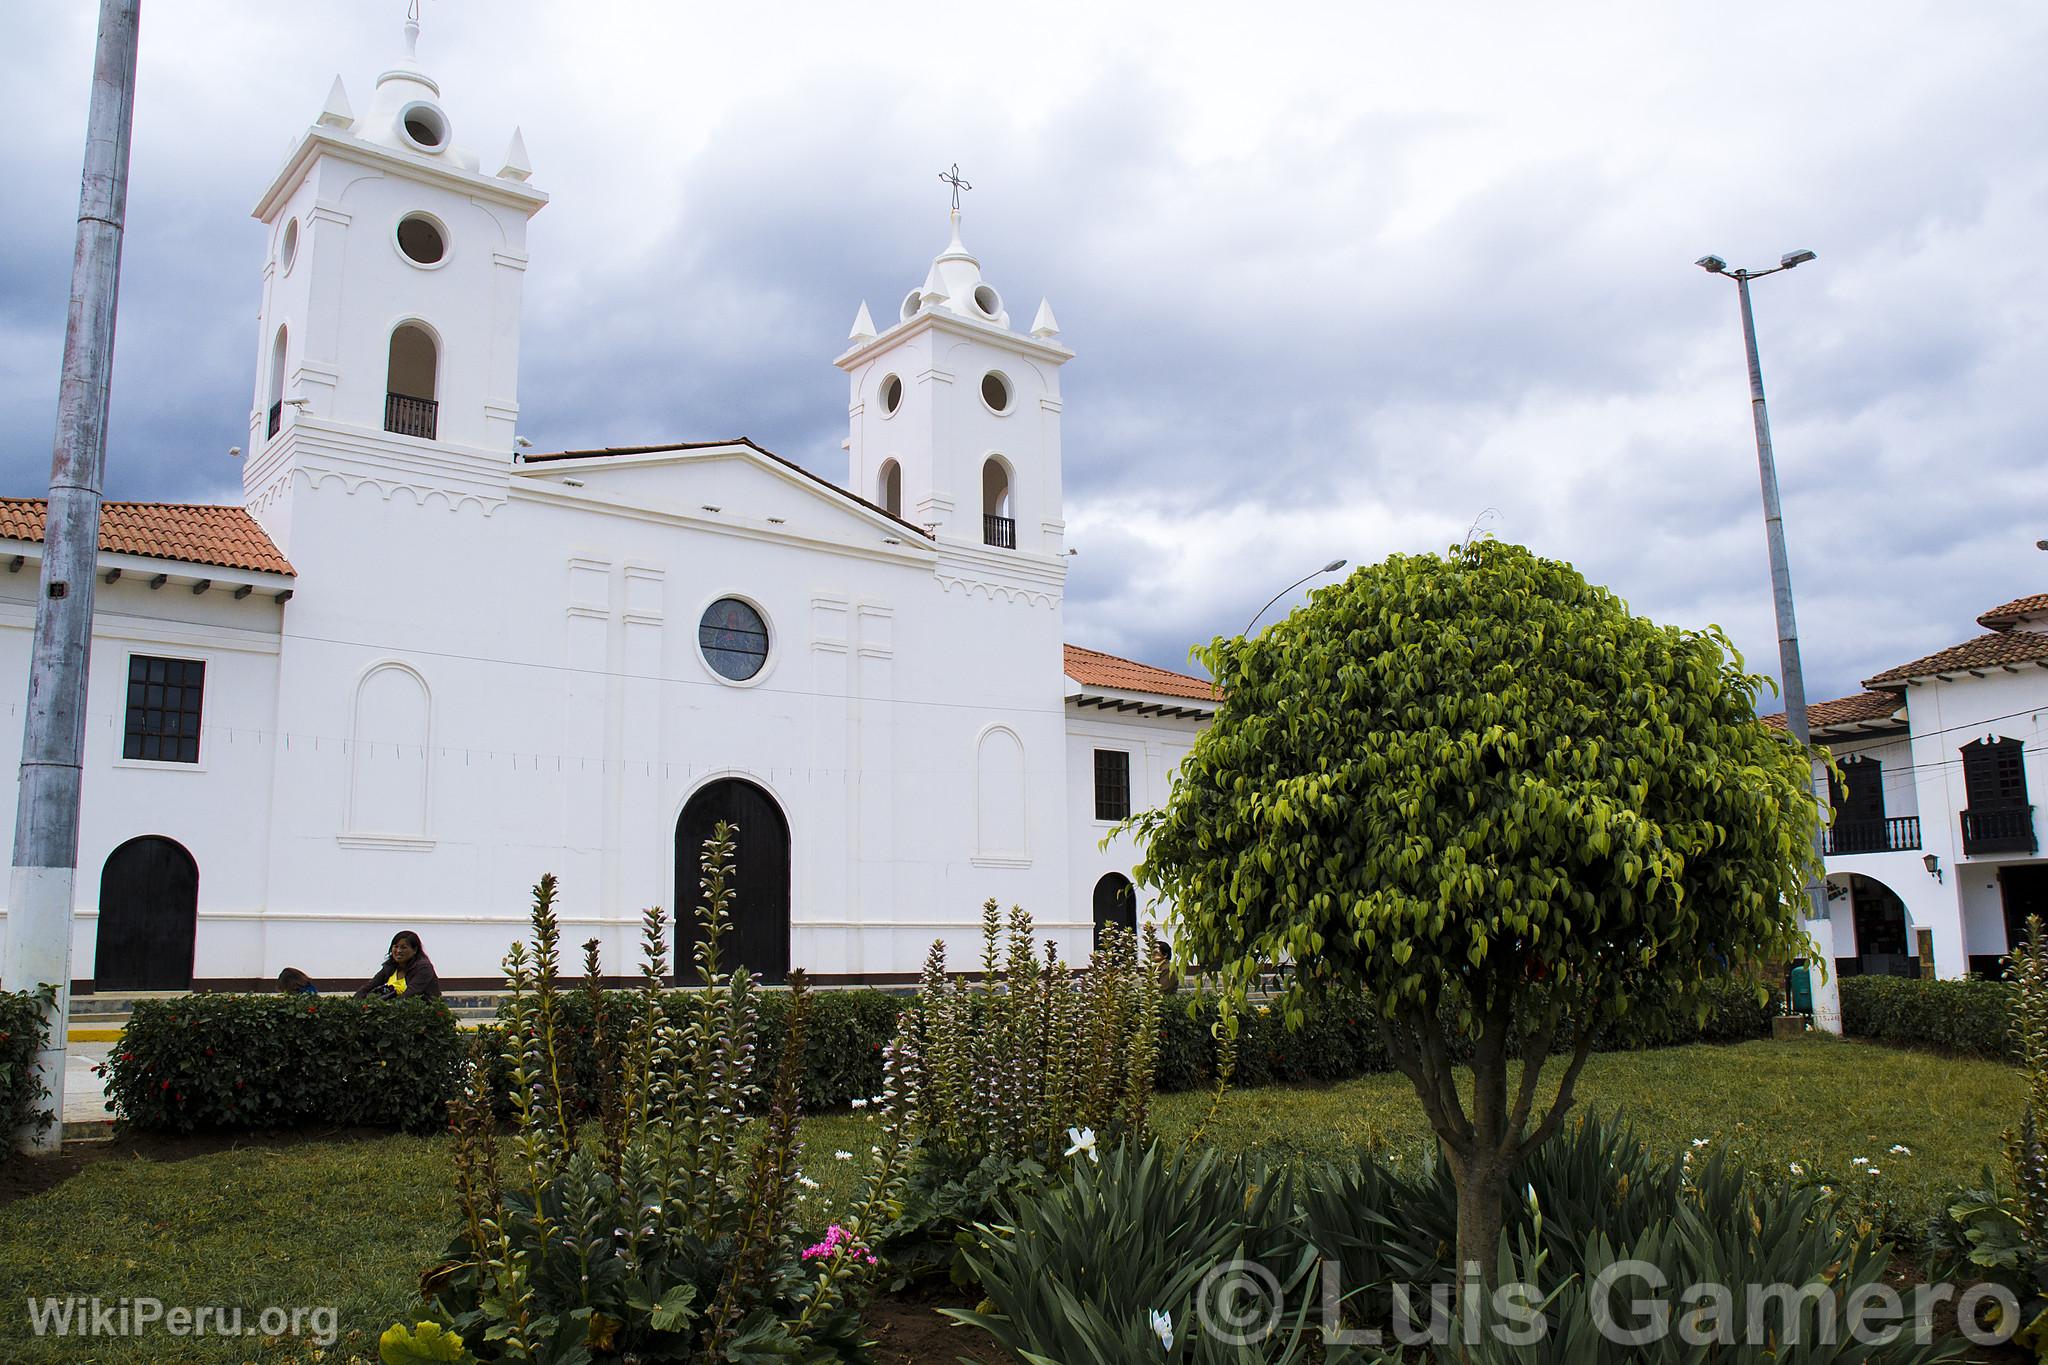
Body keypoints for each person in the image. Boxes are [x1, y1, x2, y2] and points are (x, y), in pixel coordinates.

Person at [353, 930, 442, 1000]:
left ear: (414, 950)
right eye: (396, 947)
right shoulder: (390, 966)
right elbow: (369, 986)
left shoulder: (424, 968)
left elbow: (410, 995)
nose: (398, 951)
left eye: (403, 947)